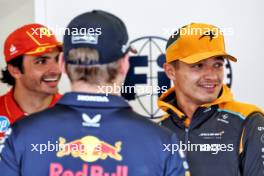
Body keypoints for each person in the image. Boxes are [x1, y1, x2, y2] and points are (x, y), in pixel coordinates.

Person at [0, 10, 189, 176]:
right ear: (125, 64)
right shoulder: (161, 140)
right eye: (41, 61)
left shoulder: (21, 134)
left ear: (63, 63)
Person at [157, 22, 264, 176]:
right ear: (171, 71)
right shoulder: (158, 130)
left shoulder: (249, 121)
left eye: (218, 64)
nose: (212, 76)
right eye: (198, 65)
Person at [0, 23, 62, 133]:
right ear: (15, 70)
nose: (56, 70)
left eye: (57, 59)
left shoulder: (78, 114)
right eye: (41, 61)